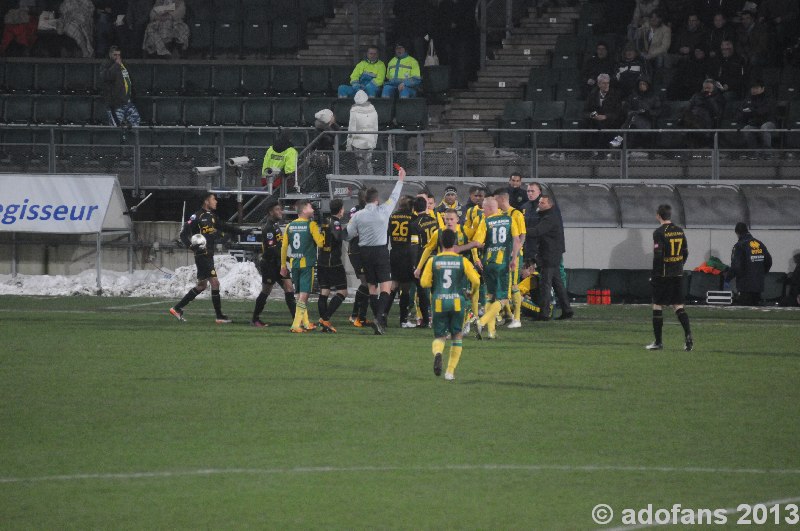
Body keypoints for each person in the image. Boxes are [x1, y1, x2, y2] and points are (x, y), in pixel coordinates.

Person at [169, 192, 251, 323]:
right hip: (202, 255)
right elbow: (183, 234)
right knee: (215, 283)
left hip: (208, 255)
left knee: (201, 286)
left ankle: (177, 308)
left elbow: (225, 227)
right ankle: (219, 316)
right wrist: (191, 246)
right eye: (214, 199)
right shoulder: (197, 216)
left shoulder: (212, 216)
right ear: (206, 201)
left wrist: (242, 232)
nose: (216, 202)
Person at [344, 166, 406, 334]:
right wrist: (400, 179)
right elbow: (394, 196)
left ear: (364, 200)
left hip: (365, 253)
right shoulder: (384, 210)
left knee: (372, 288)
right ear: (376, 199)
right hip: (380, 251)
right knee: (386, 286)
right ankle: (379, 318)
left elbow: (348, 235)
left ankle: (377, 320)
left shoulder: (357, 216)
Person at [420, 229, 480, 381]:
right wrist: (472, 292)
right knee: (457, 336)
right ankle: (450, 372)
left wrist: (435, 282)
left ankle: (439, 353)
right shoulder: (463, 261)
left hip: (439, 301)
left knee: (440, 336)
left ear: (440, 243)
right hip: (457, 301)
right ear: (454, 242)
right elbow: (477, 281)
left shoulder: (433, 261)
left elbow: (424, 282)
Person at [468, 196, 521, 340]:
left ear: (490, 208)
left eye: (484, 208)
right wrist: (514, 258)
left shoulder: (485, 221)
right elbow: (517, 240)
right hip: (502, 264)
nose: (482, 211)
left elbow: (477, 242)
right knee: (504, 299)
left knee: (490, 297)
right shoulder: (510, 219)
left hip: (488, 263)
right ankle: (482, 321)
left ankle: (491, 332)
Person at [646, 204, 693, 351]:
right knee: (678, 305)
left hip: (663, 275)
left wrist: (654, 275)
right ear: (670, 215)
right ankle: (688, 337)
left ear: (658, 215)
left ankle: (658, 342)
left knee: (657, 305)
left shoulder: (659, 232)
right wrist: (679, 265)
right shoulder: (679, 231)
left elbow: (658, 255)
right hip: (677, 274)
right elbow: (685, 252)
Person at [524, 195, 573, 321]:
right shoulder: (548, 216)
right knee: (557, 284)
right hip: (552, 254)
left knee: (545, 284)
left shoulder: (549, 218)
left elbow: (537, 232)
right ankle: (567, 310)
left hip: (549, 255)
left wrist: (519, 229)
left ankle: (544, 313)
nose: (539, 204)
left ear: (550, 205)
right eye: (539, 202)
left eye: (542, 203)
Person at [280, 199, 325, 333]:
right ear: (304, 210)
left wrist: (283, 265)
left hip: (294, 263)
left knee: (299, 294)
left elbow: (283, 247)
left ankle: (305, 323)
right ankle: (295, 324)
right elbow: (321, 243)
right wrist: (322, 235)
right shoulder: (311, 225)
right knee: (304, 295)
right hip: (307, 264)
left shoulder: (290, 226)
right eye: (311, 207)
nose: (313, 209)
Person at [250, 199, 297, 327]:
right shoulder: (268, 227)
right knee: (266, 291)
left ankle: (296, 320)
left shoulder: (275, 225)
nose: (281, 211)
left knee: (289, 287)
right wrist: (288, 259)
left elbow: (280, 245)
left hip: (278, 263)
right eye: (277, 209)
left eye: (280, 209)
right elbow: (272, 249)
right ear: (271, 212)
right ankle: (255, 319)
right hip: (269, 264)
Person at [495, 190, 527, 328]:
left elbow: (522, 236)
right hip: (502, 256)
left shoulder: (516, 214)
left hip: (514, 256)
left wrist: (514, 254)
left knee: (513, 286)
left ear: (502, 199)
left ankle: (517, 319)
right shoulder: (500, 215)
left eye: (496, 200)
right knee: (503, 286)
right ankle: (508, 315)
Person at [317, 199, 348, 332]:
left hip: (322, 261)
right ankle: (325, 319)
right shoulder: (335, 222)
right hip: (333, 263)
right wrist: (346, 231)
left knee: (324, 292)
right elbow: (337, 236)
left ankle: (324, 322)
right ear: (340, 209)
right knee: (342, 292)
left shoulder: (325, 220)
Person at [409, 195, 439, 328]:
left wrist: (415, 264)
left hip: (423, 259)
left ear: (414, 209)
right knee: (436, 290)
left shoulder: (414, 225)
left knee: (421, 291)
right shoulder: (434, 221)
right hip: (436, 257)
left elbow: (415, 245)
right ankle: (437, 317)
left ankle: (426, 320)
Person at [387, 195, 417, 328]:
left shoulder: (392, 217)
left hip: (394, 253)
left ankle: (383, 316)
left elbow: (386, 235)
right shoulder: (413, 218)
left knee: (393, 285)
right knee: (405, 288)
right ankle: (403, 320)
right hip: (407, 254)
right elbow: (415, 241)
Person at [726, 222, 772, 306]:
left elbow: (736, 266)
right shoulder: (759, 244)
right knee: (755, 311)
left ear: (737, 233)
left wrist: (727, 278)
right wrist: (761, 273)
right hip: (758, 284)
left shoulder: (739, 246)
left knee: (745, 310)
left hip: (745, 285)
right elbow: (768, 261)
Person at [615, 75, 663, 149]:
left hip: (647, 122)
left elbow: (658, 111)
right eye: (640, 84)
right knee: (630, 127)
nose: (642, 86)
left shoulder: (654, 97)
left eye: (644, 84)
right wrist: (630, 112)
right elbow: (626, 108)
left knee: (628, 127)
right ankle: (621, 148)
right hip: (632, 120)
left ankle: (617, 142)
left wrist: (647, 112)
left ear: (648, 85)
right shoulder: (633, 95)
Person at [347, 191, 372, 327]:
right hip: (356, 250)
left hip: (366, 250)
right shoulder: (355, 210)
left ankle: (357, 315)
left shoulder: (372, 209)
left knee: (367, 282)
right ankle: (357, 316)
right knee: (366, 282)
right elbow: (354, 228)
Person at [100, 46, 141, 128]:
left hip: (127, 101)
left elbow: (129, 80)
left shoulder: (124, 64)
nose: (117, 57)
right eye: (115, 55)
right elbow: (106, 77)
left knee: (136, 120)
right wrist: (116, 65)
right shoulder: (106, 64)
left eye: (119, 55)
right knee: (116, 127)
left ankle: (130, 139)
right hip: (115, 103)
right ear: (110, 54)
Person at [583, 73, 623, 150]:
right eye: (604, 83)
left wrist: (606, 116)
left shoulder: (615, 95)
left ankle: (604, 151)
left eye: (608, 83)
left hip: (611, 122)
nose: (606, 85)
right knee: (584, 124)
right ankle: (586, 152)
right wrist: (594, 115)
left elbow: (618, 113)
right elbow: (586, 111)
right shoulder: (592, 95)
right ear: (598, 84)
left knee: (605, 127)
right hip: (595, 122)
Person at [682, 78, 726, 148]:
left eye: (709, 88)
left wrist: (709, 98)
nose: (706, 90)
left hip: (708, 120)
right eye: (705, 88)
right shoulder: (696, 96)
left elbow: (718, 111)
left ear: (714, 88)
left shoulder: (718, 97)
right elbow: (688, 108)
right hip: (694, 119)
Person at [737, 79, 776, 153]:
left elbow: (764, 111)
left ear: (762, 89)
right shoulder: (748, 99)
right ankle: (754, 151)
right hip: (754, 123)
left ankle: (767, 152)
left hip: (769, 122)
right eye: (752, 88)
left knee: (764, 127)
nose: (753, 90)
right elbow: (741, 110)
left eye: (756, 88)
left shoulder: (769, 98)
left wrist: (751, 110)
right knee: (746, 128)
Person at [346, 90, 379, 175]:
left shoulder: (354, 110)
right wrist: (374, 141)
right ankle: (370, 182)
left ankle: (363, 183)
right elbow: (375, 127)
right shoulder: (373, 108)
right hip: (370, 140)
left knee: (360, 163)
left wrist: (348, 144)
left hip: (358, 141)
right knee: (368, 162)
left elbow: (351, 128)